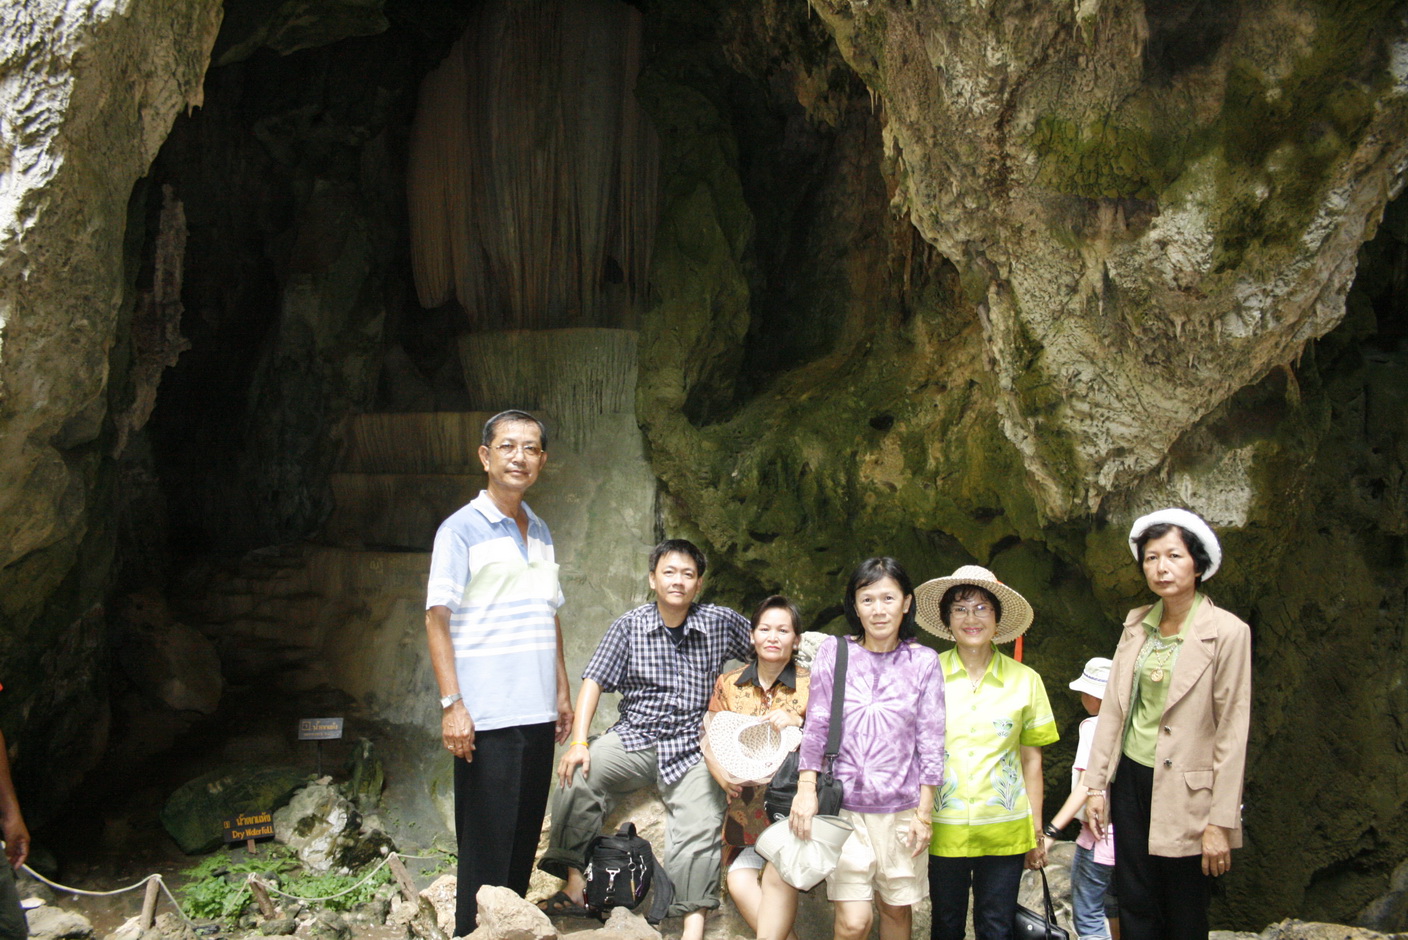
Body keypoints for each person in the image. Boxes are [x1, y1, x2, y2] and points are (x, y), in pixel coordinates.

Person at [538, 539, 752, 940]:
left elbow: (767, 649)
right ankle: (576, 884)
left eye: (688, 574)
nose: (678, 581)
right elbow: (594, 680)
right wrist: (580, 742)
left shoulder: (720, 622)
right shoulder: (629, 625)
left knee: (700, 820)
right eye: (669, 572)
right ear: (653, 579)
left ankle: (691, 925)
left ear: (699, 583)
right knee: (579, 773)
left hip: (693, 748)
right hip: (635, 737)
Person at [424, 409, 572, 936]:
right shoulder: (459, 530)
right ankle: (471, 933)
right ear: (485, 457)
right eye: (508, 446)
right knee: (486, 849)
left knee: (521, 843)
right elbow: (436, 619)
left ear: (542, 461)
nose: (519, 457)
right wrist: (453, 705)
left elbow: (549, 614)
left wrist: (562, 692)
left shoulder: (541, 529)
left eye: (531, 448)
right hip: (486, 715)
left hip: (537, 711)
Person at [1084, 508, 1252, 940]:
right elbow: (1114, 711)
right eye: (1151, 557)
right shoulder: (1137, 624)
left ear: (1197, 564)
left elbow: (1232, 731)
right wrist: (1096, 787)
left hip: (1189, 789)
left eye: (1174, 556)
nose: (1161, 567)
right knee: (1135, 899)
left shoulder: (1229, 632)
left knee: (1185, 906)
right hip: (1132, 780)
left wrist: (1220, 822)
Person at [789, 557, 945, 940]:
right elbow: (817, 724)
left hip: (903, 811)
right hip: (845, 809)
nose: (878, 610)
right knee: (854, 922)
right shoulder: (835, 652)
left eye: (888, 598)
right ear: (855, 606)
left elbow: (931, 740)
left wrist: (925, 815)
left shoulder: (923, 661)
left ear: (906, 603)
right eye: (867, 599)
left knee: (895, 911)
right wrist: (806, 790)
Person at [913, 565, 1058, 940]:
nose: (971, 618)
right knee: (945, 924)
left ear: (997, 619)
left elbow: (1031, 761)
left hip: (1004, 830)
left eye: (982, 608)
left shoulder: (1026, 681)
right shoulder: (925, 674)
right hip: (942, 827)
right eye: (960, 609)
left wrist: (1036, 831)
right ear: (947, 621)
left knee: (996, 927)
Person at [700, 596, 810, 940]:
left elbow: (829, 740)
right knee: (738, 880)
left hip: (792, 811)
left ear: (796, 639)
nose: (773, 637)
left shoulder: (813, 684)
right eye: (765, 629)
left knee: (780, 875)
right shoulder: (729, 682)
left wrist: (798, 722)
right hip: (744, 810)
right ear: (751, 635)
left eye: (783, 630)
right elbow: (709, 735)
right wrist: (721, 776)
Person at [1043, 657, 1119, 940]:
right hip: (1131, 838)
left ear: (1095, 697)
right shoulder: (1134, 727)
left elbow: (1088, 784)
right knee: (1116, 906)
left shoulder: (1094, 727)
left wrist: (1051, 832)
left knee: (1088, 916)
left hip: (1099, 837)